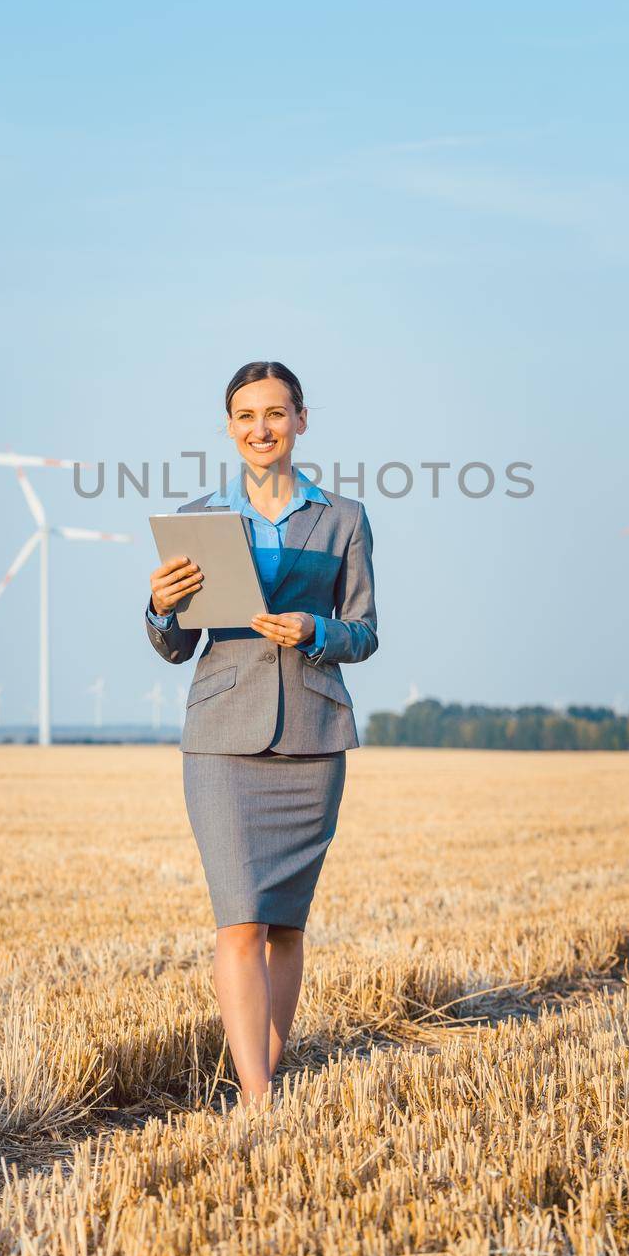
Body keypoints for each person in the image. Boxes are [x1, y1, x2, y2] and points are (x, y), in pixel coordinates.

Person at [145, 360, 378, 1106]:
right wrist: (157, 606)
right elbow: (177, 643)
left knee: (284, 926)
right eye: (246, 416)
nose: (260, 429)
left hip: (312, 732)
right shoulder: (197, 519)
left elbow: (366, 632)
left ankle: (265, 1080)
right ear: (228, 427)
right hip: (221, 735)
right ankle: (256, 1097)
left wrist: (318, 630)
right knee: (239, 918)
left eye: (275, 413)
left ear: (300, 421)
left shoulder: (342, 518)